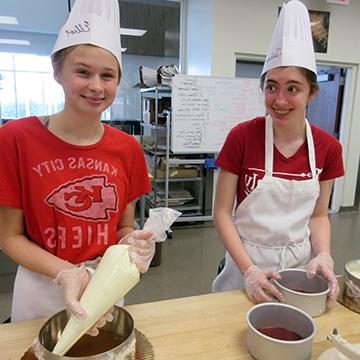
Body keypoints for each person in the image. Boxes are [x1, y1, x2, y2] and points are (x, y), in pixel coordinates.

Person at [0, 0, 155, 327]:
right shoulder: (15, 138)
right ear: (57, 72)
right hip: (41, 284)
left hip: (105, 282)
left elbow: (122, 227)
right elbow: (9, 236)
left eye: (107, 75)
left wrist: (132, 242)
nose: (96, 86)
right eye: (83, 72)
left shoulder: (127, 148)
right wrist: (65, 271)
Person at [212, 0, 344, 305]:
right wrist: (250, 271)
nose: (279, 100)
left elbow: (319, 215)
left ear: (312, 92)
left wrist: (324, 254)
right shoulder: (242, 137)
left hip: (300, 269)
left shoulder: (328, 148)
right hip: (243, 265)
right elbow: (221, 213)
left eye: (293, 88)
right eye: (271, 87)